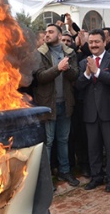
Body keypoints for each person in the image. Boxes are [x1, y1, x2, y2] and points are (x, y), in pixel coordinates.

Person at [75, 29, 110, 192]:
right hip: (90, 112)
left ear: (104, 42)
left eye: (97, 42)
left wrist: (97, 72)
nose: (94, 45)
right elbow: (78, 85)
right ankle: (96, 177)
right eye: (91, 42)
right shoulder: (83, 63)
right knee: (93, 148)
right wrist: (88, 73)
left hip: (109, 111)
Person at [34, 24, 80, 186]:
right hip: (48, 105)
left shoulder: (69, 52)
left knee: (63, 140)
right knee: (48, 141)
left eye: (51, 32)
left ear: (60, 36)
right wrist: (58, 68)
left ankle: (65, 172)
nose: (47, 34)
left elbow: (75, 75)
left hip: (65, 103)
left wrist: (66, 70)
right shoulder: (40, 53)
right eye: (46, 32)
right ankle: (46, 179)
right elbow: (40, 77)